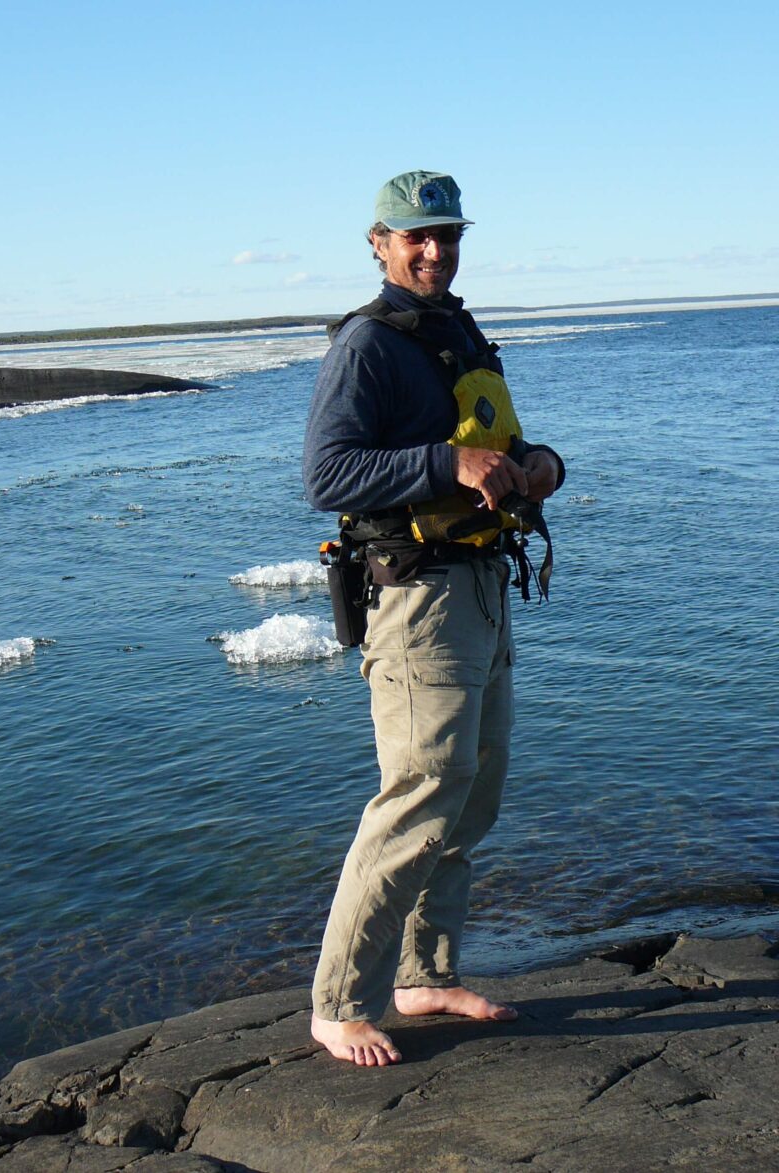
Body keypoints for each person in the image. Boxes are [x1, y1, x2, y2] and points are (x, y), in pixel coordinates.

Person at [302, 170, 565, 1066]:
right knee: (417, 796)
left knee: (470, 795)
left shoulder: (454, 329)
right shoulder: (367, 345)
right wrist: (447, 468)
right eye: (416, 236)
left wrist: (540, 464)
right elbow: (326, 476)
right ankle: (338, 1003)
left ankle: (422, 975)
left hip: (483, 585)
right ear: (379, 241)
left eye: (447, 234)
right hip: (417, 598)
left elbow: (498, 437)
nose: (434, 250)